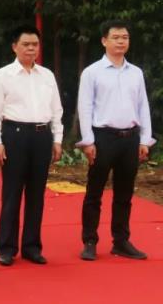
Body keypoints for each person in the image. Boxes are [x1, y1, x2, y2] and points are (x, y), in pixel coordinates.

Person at [77, 20, 155, 261]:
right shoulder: (92, 72)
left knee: (124, 193)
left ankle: (121, 241)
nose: (121, 41)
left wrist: (145, 140)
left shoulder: (136, 73)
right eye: (116, 37)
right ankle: (90, 241)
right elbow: (85, 107)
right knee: (94, 192)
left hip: (130, 138)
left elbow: (143, 106)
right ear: (104, 41)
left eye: (125, 37)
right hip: (103, 137)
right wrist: (88, 141)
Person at [0, 25, 63, 266]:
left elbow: (56, 110)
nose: (31, 48)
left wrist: (57, 139)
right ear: (14, 47)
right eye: (26, 44)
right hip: (14, 135)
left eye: (35, 44)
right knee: (12, 193)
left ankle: (32, 247)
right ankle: (7, 247)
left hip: (42, 136)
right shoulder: (2, 76)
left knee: (37, 194)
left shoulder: (47, 75)